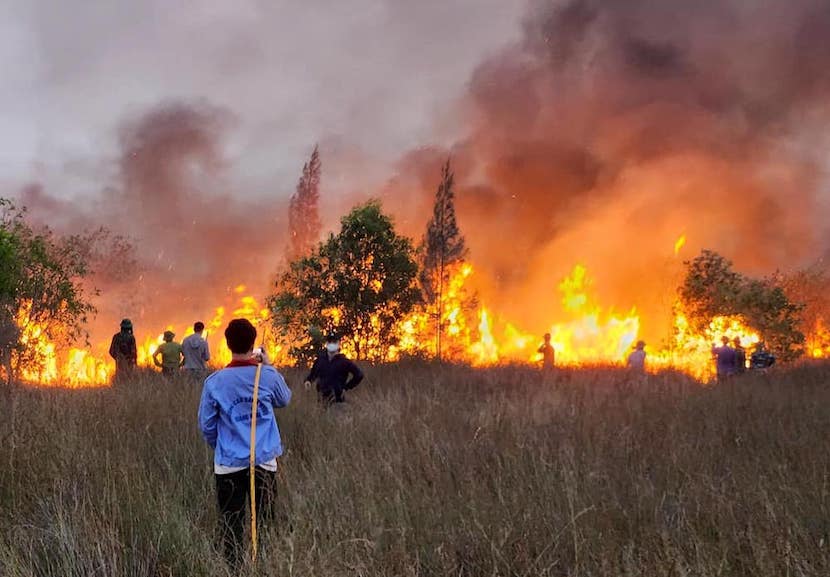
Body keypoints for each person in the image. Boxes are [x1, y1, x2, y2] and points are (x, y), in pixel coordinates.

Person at [198, 318, 292, 566]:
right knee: (264, 521)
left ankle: (234, 568)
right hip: (263, 462)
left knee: (231, 523)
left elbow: (206, 425)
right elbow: (285, 399)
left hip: (229, 464)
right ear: (253, 344)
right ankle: (264, 565)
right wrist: (269, 365)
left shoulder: (215, 382)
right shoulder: (268, 376)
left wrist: (222, 446)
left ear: (228, 344)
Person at [304, 334, 363, 405]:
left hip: (338, 401)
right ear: (327, 344)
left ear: (338, 343)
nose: (332, 344)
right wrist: (308, 381)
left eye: (334, 342)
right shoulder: (320, 360)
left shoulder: (344, 361)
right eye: (330, 342)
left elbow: (359, 375)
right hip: (321, 401)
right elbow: (312, 374)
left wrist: (346, 388)